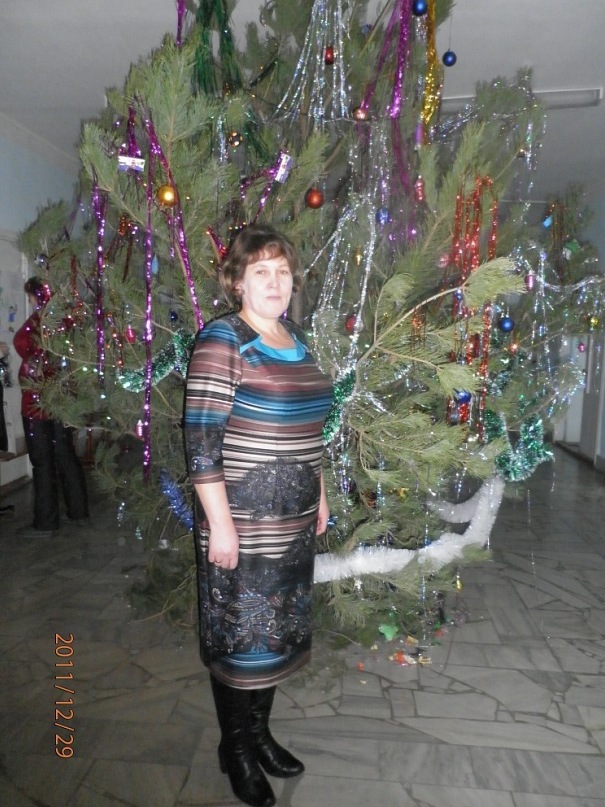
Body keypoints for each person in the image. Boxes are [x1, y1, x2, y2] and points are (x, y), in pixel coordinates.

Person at [184, 225, 333, 807]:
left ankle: (259, 734)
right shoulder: (223, 341)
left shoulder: (299, 339)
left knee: (277, 635)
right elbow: (201, 442)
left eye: (283, 272)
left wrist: (320, 494)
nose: (275, 282)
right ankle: (237, 750)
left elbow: (313, 430)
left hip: (293, 523)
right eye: (261, 272)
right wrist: (220, 526)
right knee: (239, 640)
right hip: (241, 523)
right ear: (238, 282)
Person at [13, 277, 89, 537]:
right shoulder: (65, 322)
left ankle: (46, 523)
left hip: (37, 405)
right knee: (66, 456)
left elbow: (21, 343)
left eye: (30, 296)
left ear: (37, 297)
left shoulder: (41, 322)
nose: (29, 301)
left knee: (42, 462)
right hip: (61, 402)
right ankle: (78, 512)